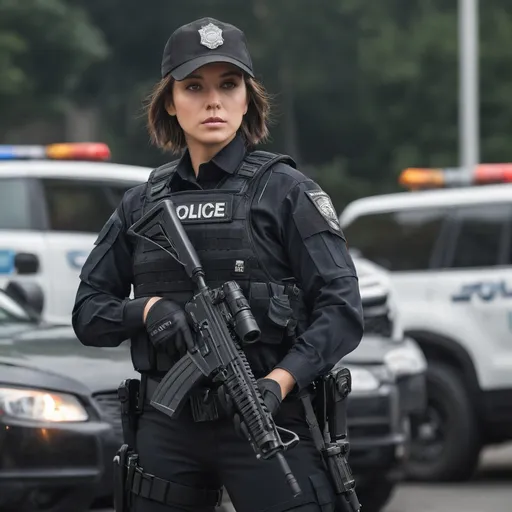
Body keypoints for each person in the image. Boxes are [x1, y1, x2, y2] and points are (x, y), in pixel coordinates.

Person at [72, 16, 364, 512]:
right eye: (194, 87)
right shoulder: (141, 204)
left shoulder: (287, 193)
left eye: (228, 85)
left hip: (267, 418)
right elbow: (88, 312)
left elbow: (341, 311)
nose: (213, 101)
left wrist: (279, 382)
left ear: (247, 97)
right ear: (170, 100)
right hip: (168, 426)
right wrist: (146, 311)